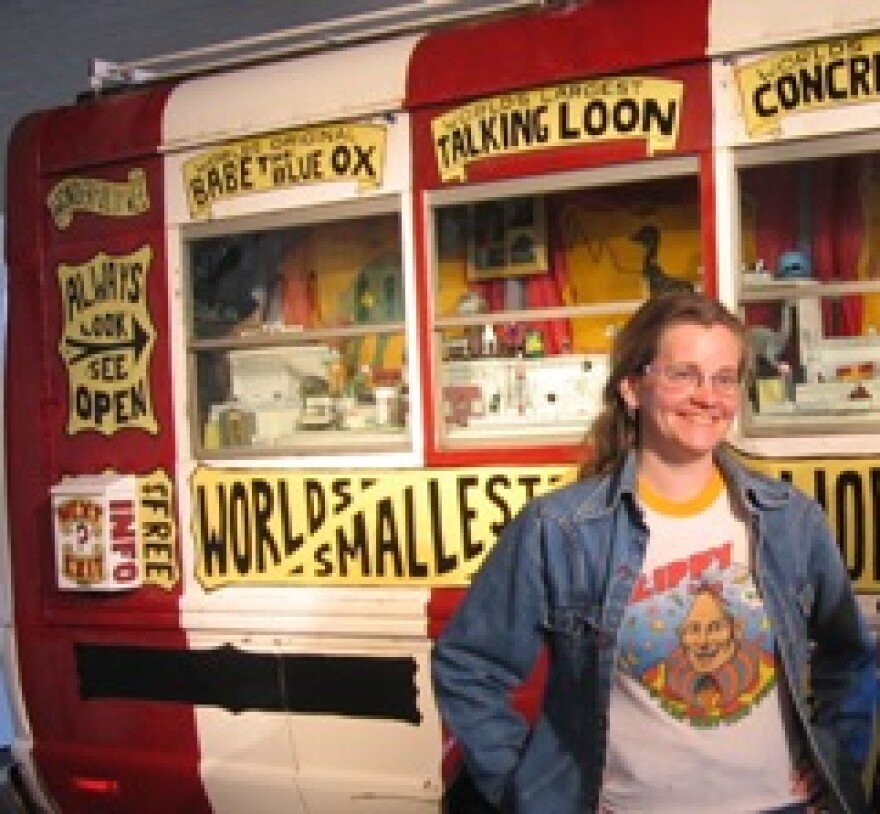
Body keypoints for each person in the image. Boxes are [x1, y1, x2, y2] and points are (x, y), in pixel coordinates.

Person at [432, 291, 876, 813]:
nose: (707, 396)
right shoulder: (560, 530)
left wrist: (834, 758)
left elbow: (848, 657)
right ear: (632, 388)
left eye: (724, 377)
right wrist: (532, 791)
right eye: (683, 374)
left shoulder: (790, 520)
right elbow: (468, 665)